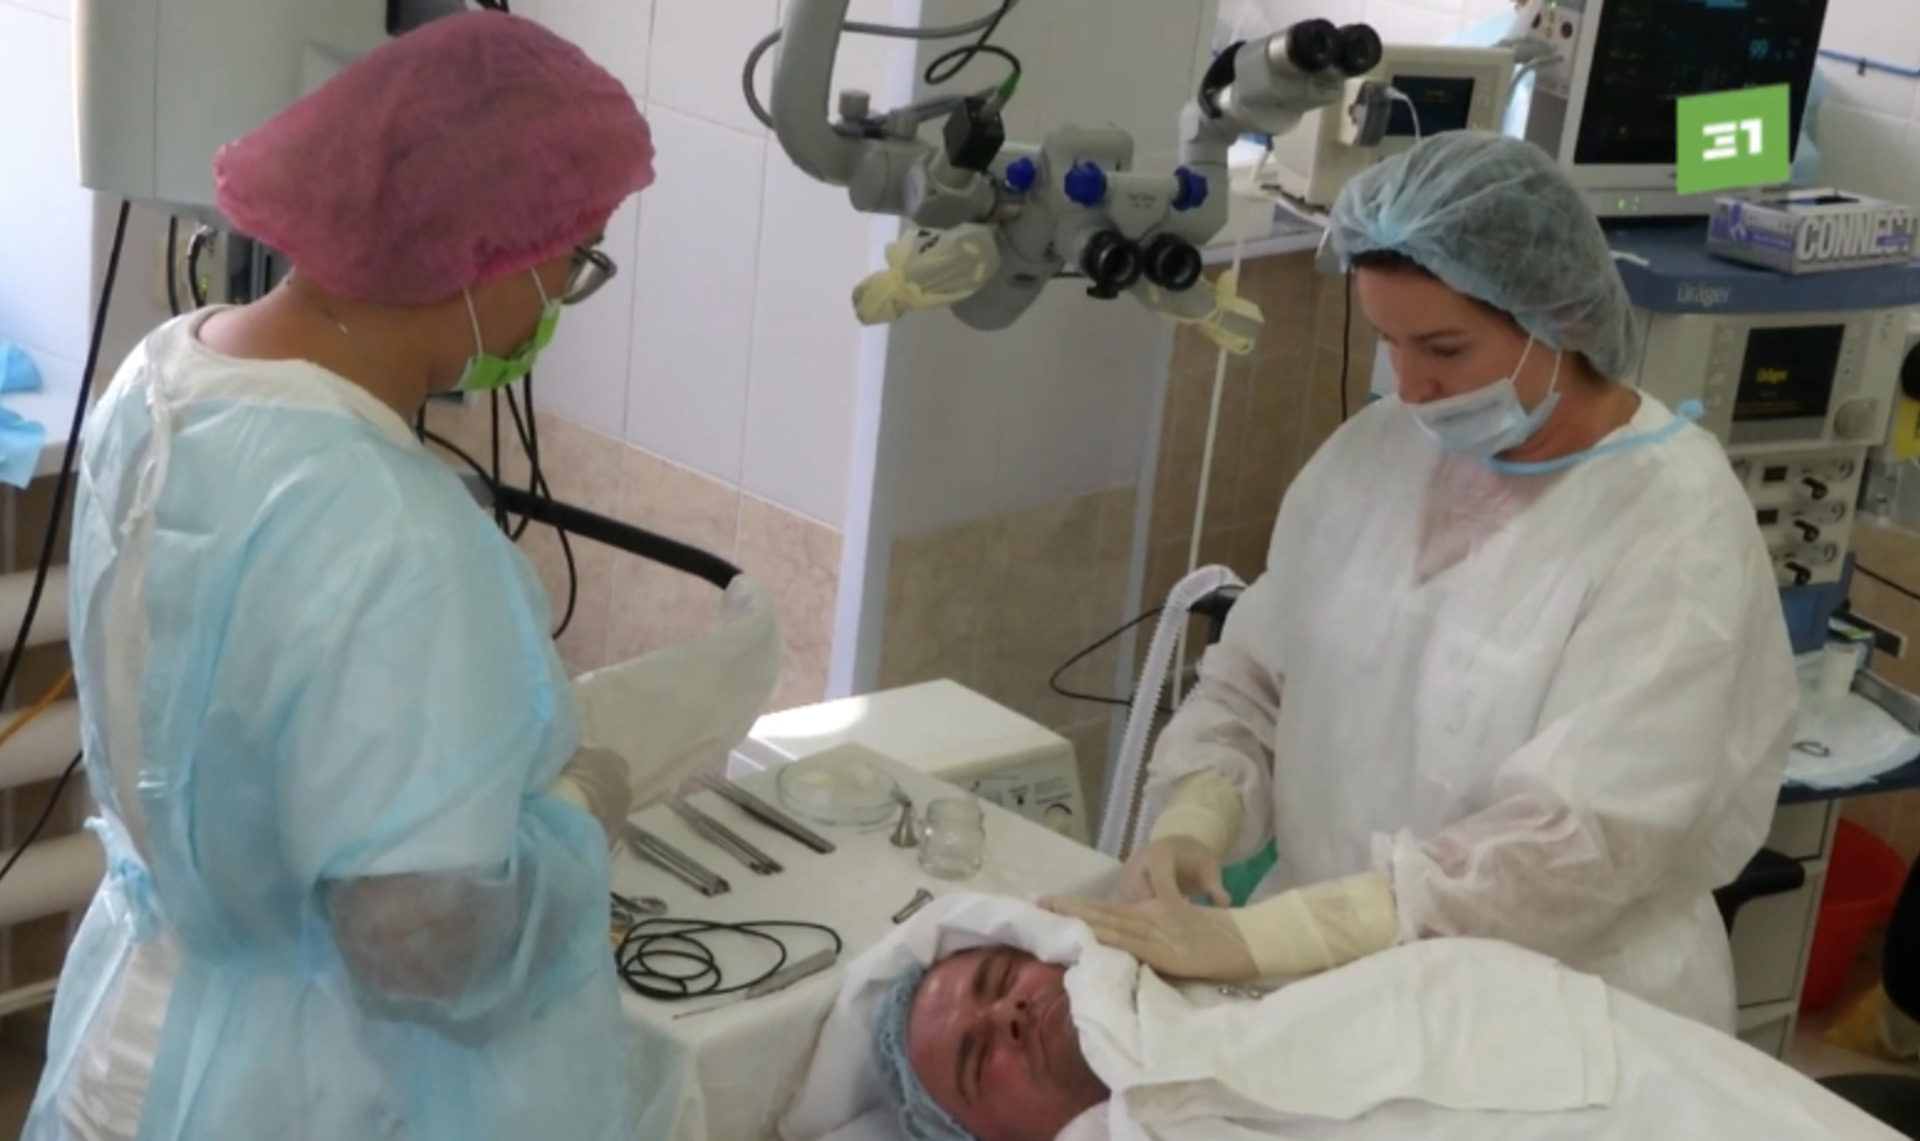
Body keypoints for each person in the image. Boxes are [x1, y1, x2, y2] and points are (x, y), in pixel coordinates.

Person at [25, 13, 662, 1139]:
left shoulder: (161, 376)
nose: (558, 301)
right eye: (574, 261)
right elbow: (419, 948)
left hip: (127, 1032)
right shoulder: (393, 528)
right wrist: (575, 821)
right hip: (278, 1090)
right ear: (490, 248)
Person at [1043, 130, 1798, 1033]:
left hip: (1558, 1018)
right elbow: (1256, 684)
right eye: (1388, 341)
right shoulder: (1377, 454)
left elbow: (1581, 846)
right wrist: (1195, 815)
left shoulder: (1674, 524)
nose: (1411, 385)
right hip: (1333, 986)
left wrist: (1286, 933)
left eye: (1443, 346)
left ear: (1558, 316)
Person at [806, 895, 1902, 1141]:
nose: (1008, 1016)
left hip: (1601, 1062)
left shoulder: (1227, 998)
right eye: (974, 1060)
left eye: (1004, 978)